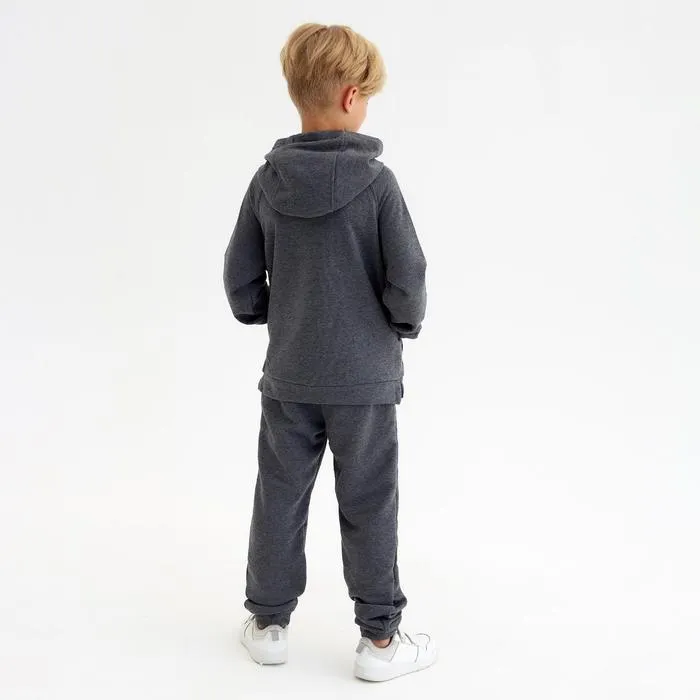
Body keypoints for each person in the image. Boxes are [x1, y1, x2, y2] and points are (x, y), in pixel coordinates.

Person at [223, 22, 435, 682]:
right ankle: (380, 641)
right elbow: (409, 275)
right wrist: (400, 324)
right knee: (369, 503)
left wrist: (266, 312)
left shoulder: (268, 183)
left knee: (279, 499)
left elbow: (239, 274)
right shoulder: (377, 184)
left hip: (290, 374)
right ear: (351, 97)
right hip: (365, 382)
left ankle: (268, 625)